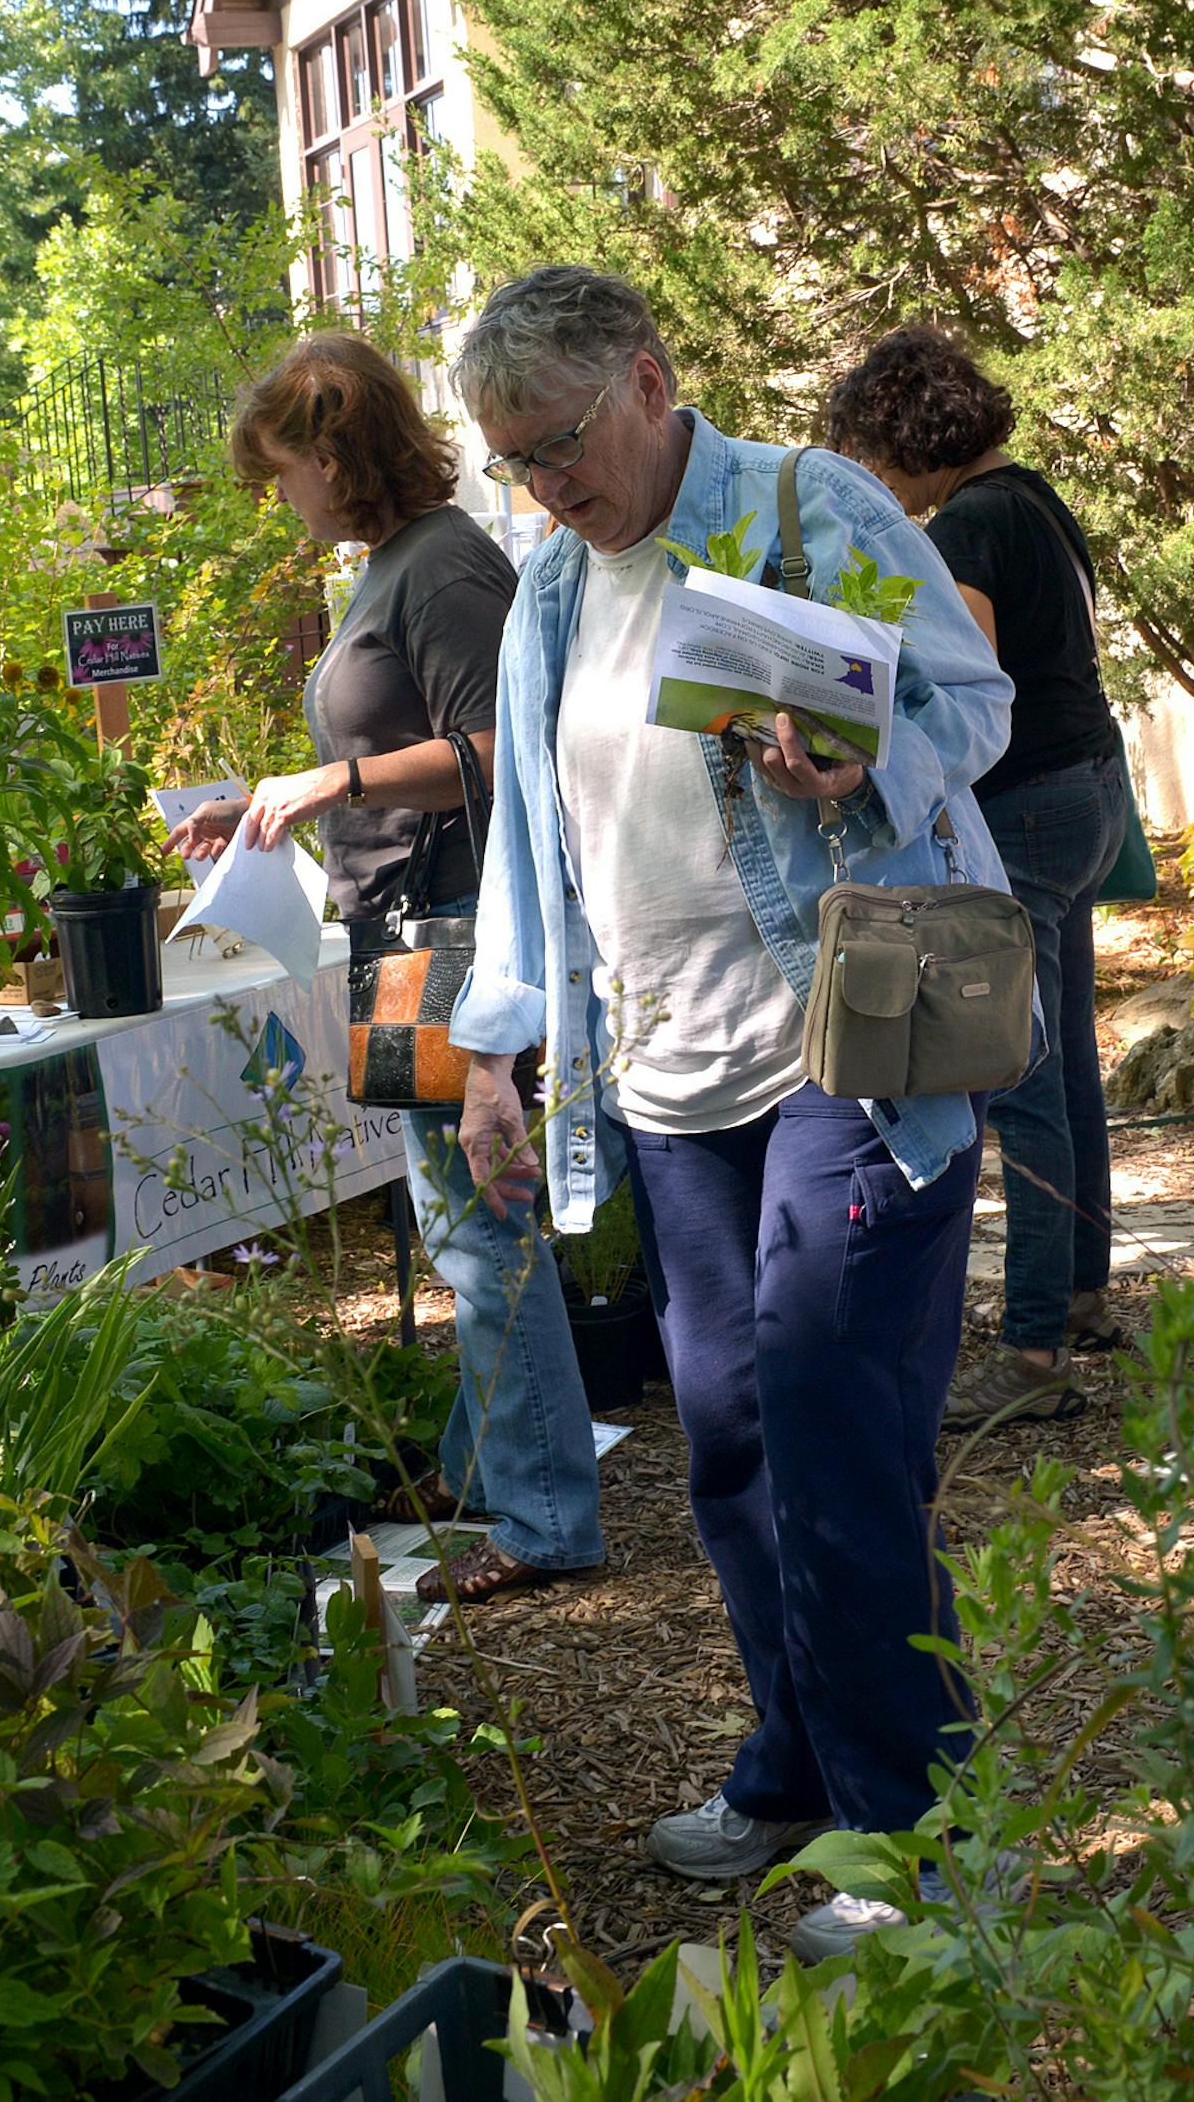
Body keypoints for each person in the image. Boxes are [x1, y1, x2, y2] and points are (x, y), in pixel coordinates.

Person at [445, 267, 1014, 1963]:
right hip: (675, 1082)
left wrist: (866, 761)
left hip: (859, 1038)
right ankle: (789, 1765)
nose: (546, 487)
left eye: (558, 444)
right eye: (515, 464)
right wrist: (499, 1043)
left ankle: (917, 1838)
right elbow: (530, 843)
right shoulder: (551, 590)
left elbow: (966, 708)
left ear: (647, 378)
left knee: (833, 1420)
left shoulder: (798, 506)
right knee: (733, 1437)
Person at [165, 331, 604, 1605]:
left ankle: (543, 1515)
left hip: (459, 930)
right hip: (408, 930)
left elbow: (491, 751)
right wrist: (271, 804)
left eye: (283, 469)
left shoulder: (446, 564)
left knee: (485, 1223)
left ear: (335, 450)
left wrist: (332, 781)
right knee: (456, 1214)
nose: (277, 496)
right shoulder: (395, 566)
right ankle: (486, 1466)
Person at [828, 327, 1128, 1429]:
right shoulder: (1035, 497)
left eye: (870, 451)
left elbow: (972, 695)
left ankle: (1036, 1345)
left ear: (912, 437)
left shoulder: (965, 528)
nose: (868, 479)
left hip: (1034, 807)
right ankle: (1084, 1289)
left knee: (1026, 1072)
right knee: (1074, 1054)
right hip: (1091, 788)